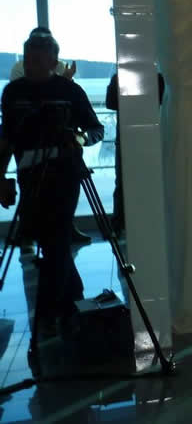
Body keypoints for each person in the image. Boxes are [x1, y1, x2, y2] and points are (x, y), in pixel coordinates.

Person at [0, 28, 105, 339]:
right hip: (29, 175)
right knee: (51, 241)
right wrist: (1, 177)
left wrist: (78, 138)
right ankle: (72, 303)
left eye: (37, 59)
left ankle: (49, 314)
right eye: (27, 58)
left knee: (56, 237)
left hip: (65, 173)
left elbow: (96, 129)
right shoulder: (13, 93)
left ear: (53, 61)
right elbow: (6, 138)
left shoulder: (69, 91)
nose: (30, 64)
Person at [105, 70, 165, 232]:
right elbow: (160, 101)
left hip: (127, 135)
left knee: (122, 182)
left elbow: (110, 103)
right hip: (148, 135)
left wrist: (127, 97)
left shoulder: (119, 77)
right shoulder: (156, 78)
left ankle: (119, 224)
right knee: (146, 181)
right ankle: (143, 222)